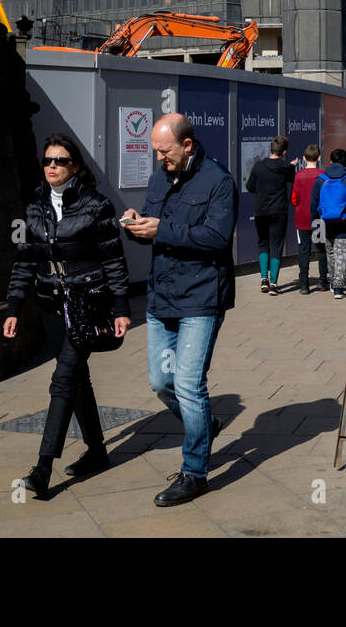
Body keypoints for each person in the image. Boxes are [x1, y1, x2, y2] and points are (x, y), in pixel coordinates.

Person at [4, 134, 131, 501]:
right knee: (77, 378)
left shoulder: (96, 206)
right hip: (50, 305)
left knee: (62, 379)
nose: (52, 167)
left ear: (74, 165)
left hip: (86, 302)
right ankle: (97, 451)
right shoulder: (34, 207)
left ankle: (43, 468)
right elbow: (25, 261)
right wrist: (14, 308)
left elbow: (113, 259)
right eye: (47, 161)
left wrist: (121, 308)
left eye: (59, 160)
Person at [122, 113, 235, 508]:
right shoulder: (158, 178)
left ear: (187, 145)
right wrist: (135, 226)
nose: (159, 158)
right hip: (162, 298)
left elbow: (218, 238)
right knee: (161, 383)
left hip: (201, 299)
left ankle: (194, 473)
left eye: (165, 151)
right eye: (155, 150)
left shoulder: (218, 181)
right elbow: (153, 233)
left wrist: (161, 230)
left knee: (189, 384)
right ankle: (205, 423)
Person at [311, 148, 346, 299]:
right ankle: (338, 288)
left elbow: (313, 204)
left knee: (330, 253)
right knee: (341, 253)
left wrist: (315, 225)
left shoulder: (321, 180)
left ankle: (333, 280)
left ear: (330, 161)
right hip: (345, 223)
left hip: (325, 224)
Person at [245, 134, 295, 295]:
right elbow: (291, 179)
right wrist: (292, 166)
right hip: (279, 211)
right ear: (284, 152)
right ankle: (273, 283)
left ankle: (263, 279)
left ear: (271, 149)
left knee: (263, 243)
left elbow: (250, 187)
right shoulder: (286, 168)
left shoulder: (258, 166)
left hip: (261, 211)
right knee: (276, 245)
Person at [291, 144, 329, 294]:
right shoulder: (323, 176)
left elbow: (294, 199)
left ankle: (304, 284)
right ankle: (323, 281)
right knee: (321, 250)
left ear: (304, 158)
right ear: (319, 158)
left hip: (302, 219)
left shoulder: (298, 176)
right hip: (319, 218)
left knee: (303, 251)